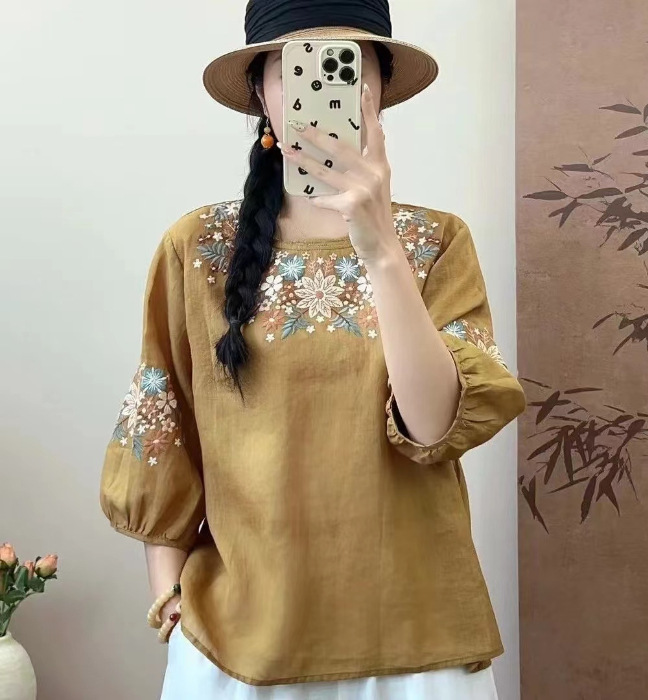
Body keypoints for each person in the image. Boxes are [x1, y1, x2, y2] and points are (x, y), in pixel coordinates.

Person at [99, 1, 527, 698]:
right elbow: (163, 428)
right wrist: (170, 603)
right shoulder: (198, 248)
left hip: (418, 642)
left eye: (348, 65)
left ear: (380, 89)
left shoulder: (436, 242)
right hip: (237, 648)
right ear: (259, 93)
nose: (323, 87)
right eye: (293, 67)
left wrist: (380, 246)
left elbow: (435, 427)